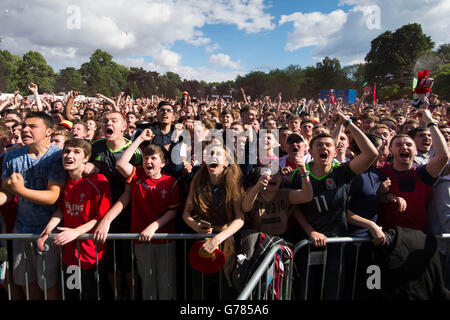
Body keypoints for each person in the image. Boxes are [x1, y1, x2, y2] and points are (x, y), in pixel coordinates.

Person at [290, 111, 378, 300]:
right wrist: (311, 232)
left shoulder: (342, 173)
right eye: (319, 145)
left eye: (329, 145)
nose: (324, 148)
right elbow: (294, 207)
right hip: (307, 244)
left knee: (332, 290)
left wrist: (348, 123)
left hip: (336, 244)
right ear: (311, 151)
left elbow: (371, 154)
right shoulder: (299, 175)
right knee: (306, 290)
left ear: (336, 151)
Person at [95, 128, 179, 300]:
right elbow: (120, 164)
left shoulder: (171, 182)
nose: (148, 161)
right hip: (141, 239)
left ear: (162, 164)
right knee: (147, 282)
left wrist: (153, 227)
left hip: (165, 239)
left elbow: (173, 211)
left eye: (153, 158)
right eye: (146, 158)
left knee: (165, 282)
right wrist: (140, 138)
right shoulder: (138, 175)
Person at [0, 111, 67, 300]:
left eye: (32, 126)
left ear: (48, 131)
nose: (25, 129)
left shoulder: (57, 157)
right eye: (24, 126)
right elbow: (7, 192)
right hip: (21, 229)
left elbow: (52, 196)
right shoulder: (12, 157)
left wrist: (20, 190)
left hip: (49, 232)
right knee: (25, 282)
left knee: (48, 283)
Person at [37, 138, 112, 300]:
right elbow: (61, 209)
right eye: (66, 151)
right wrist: (48, 228)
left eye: (76, 152)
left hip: (91, 253)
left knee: (91, 294)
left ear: (86, 158)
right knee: (71, 294)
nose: (69, 155)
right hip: (69, 252)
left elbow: (102, 217)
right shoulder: (64, 181)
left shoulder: (99, 181)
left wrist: (76, 232)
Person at [182, 141, 245, 300]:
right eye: (210, 154)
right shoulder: (198, 179)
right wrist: (195, 225)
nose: (213, 157)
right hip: (200, 243)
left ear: (226, 162)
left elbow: (240, 219)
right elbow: (186, 214)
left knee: (224, 290)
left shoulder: (233, 181)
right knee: (201, 291)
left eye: (217, 154)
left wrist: (217, 239)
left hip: (225, 243)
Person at [90, 110, 142, 300]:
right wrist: (86, 169)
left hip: (127, 214)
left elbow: (131, 191)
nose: (108, 124)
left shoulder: (134, 152)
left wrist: (107, 220)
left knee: (129, 264)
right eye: (105, 121)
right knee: (110, 265)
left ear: (123, 127)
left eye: (114, 120)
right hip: (99, 213)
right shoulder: (95, 147)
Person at [378, 109, 449, 232]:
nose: (404, 147)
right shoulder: (380, 170)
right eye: (398, 145)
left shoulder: (423, 173)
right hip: (387, 238)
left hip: (418, 238)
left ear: (416, 151)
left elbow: (443, 157)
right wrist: (382, 195)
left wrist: (430, 121)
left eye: (409, 145)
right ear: (390, 150)